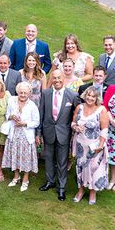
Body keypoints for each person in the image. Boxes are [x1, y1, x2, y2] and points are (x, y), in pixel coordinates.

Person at [38, 69, 80, 201]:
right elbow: (41, 113)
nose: (56, 80)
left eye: (59, 78)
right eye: (54, 78)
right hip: (48, 131)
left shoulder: (72, 95)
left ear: (63, 79)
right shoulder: (45, 93)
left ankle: (61, 187)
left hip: (64, 133)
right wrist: (39, 132)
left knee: (62, 162)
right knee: (49, 158)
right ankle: (50, 181)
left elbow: (76, 115)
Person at [72, 88, 109, 205]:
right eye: (88, 95)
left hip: (95, 146)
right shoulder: (80, 107)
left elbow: (104, 130)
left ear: (97, 98)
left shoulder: (101, 110)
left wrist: (101, 146)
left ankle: (92, 192)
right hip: (80, 145)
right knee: (80, 168)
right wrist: (76, 127)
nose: (90, 98)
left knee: (94, 168)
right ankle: (81, 190)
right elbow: (73, 123)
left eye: (93, 96)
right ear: (85, 95)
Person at [2, 82, 40, 192]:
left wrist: (24, 123)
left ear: (29, 94)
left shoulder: (32, 105)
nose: (22, 95)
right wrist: (11, 116)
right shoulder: (11, 101)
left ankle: (26, 179)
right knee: (15, 155)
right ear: (17, 92)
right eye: (21, 92)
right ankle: (16, 176)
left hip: (26, 136)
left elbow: (36, 122)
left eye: (25, 93)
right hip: (14, 134)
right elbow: (7, 115)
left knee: (26, 158)